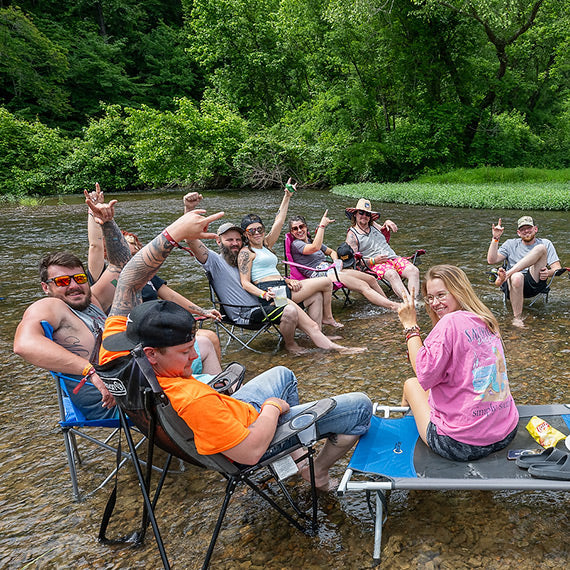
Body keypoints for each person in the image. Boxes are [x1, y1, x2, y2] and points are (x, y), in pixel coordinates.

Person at [99, 207, 373, 490]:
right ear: (151, 354)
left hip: (228, 416)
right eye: (184, 352)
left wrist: (109, 225)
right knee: (361, 407)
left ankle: (299, 461)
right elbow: (250, 452)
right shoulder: (192, 399)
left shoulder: (119, 357)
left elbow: (128, 280)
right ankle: (316, 471)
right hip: (251, 441)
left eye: (192, 347)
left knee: (283, 374)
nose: (194, 356)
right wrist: (271, 408)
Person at [183, 193, 365, 355]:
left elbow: (276, 228)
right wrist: (189, 210)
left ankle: (319, 339)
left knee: (316, 296)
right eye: (229, 240)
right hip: (250, 311)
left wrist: (285, 279)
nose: (234, 243)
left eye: (237, 239)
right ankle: (300, 344)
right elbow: (192, 241)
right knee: (294, 308)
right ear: (218, 241)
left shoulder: (244, 254)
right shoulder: (216, 260)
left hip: (269, 296)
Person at [13, 193, 131, 419]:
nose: (74, 286)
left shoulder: (93, 298)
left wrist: (107, 223)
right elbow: (23, 345)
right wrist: (89, 371)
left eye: (79, 278)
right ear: (46, 287)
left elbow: (122, 264)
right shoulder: (50, 306)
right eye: (62, 282)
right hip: (105, 401)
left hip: (128, 385)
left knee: (205, 341)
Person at [85, 182, 223, 374]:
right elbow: (96, 246)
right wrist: (95, 215)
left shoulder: (148, 276)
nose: (131, 247)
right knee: (206, 339)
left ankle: (206, 383)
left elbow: (171, 296)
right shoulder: (105, 276)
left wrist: (203, 311)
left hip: (162, 333)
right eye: (127, 244)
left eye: (135, 243)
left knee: (208, 340)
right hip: (135, 342)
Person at [397, 265, 519, 462]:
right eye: (430, 297)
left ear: (458, 291)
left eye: (441, 295)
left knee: (411, 384)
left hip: (462, 444)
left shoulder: (449, 323)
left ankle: (401, 436)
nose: (435, 303)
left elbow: (424, 373)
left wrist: (410, 326)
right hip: (506, 431)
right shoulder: (485, 317)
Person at [238, 180, 344, 329]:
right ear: (245, 234)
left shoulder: (266, 244)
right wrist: (263, 294)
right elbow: (245, 282)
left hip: (282, 285)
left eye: (259, 229)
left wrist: (287, 197)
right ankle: (327, 319)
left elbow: (279, 222)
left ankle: (317, 334)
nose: (257, 233)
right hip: (272, 293)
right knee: (326, 282)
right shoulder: (246, 252)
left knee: (317, 295)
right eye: (251, 231)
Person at [288, 212, 401, 312]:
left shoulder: (311, 240)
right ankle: (394, 307)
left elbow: (331, 251)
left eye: (301, 226)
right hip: (320, 274)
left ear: (306, 227)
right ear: (291, 232)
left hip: (331, 269)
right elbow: (314, 248)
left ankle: (385, 304)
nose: (299, 230)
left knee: (371, 279)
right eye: (295, 228)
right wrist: (322, 226)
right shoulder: (296, 244)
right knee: (363, 286)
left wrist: (336, 261)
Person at [487, 216, 561, 328]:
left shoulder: (546, 243)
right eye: (522, 229)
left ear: (535, 229)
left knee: (541, 248)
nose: (526, 231)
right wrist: (495, 238)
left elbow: (557, 269)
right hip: (513, 283)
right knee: (517, 276)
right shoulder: (510, 244)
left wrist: (548, 273)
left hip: (534, 282)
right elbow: (491, 260)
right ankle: (517, 318)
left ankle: (508, 273)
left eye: (529, 228)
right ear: (518, 232)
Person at [345, 198, 420, 302]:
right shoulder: (352, 235)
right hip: (375, 263)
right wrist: (374, 260)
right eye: (361, 213)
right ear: (355, 214)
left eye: (367, 214)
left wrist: (387, 222)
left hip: (393, 258)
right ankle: (408, 302)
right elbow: (354, 262)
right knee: (392, 274)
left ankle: (414, 300)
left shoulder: (374, 226)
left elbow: (384, 228)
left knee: (414, 271)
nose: (364, 216)